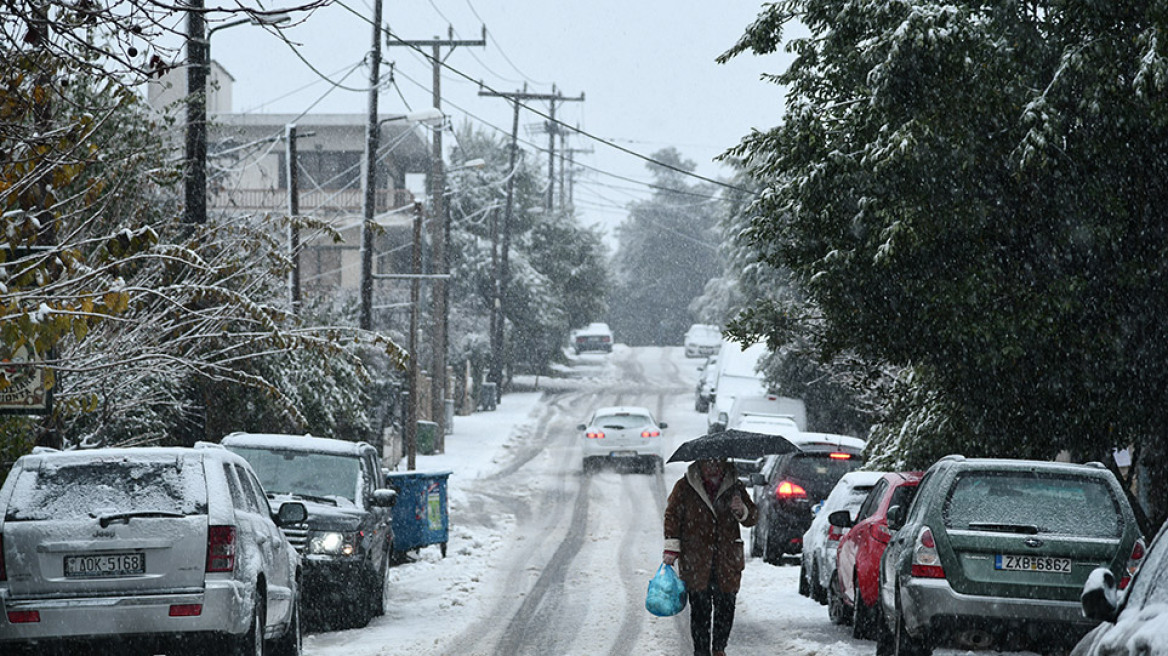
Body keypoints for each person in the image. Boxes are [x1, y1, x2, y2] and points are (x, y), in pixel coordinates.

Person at [663, 457, 758, 656]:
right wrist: (672, 547)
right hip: (696, 559)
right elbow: (672, 515)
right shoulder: (685, 486)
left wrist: (742, 510)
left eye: (717, 463)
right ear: (700, 465)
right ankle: (701, 652)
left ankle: (719, 649)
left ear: (724, 464)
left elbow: (753, 518)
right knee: (700, 610)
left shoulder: (735, 487)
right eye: (708, 463)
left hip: (727, 560)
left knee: (726, 605)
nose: (712, 467)